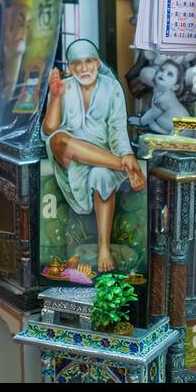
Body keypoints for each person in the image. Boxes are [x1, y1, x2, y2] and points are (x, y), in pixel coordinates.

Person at [41, 39, 144, 274]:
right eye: (77, 63)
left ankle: (104, 248)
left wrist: (126, 151)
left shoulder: (112, 87)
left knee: (101, 174)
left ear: (97, 63)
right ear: (70, 66)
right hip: (68, 156)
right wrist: (55, 96)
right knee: (58, 139)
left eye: (89, 61)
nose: (83, 68)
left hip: (102, 156)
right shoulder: (64, 86)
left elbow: (118, 129)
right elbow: (49, 129)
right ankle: (124, 166)